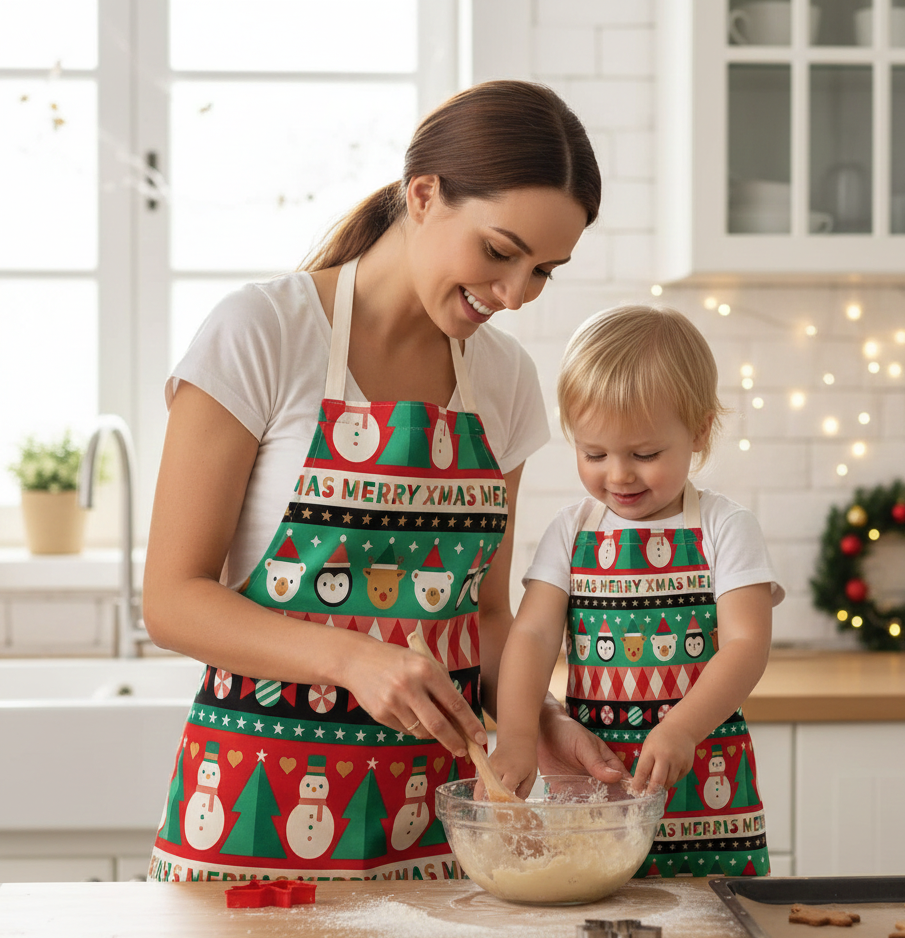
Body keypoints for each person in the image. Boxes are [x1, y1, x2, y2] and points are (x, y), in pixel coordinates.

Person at [143, 80, 622, 884]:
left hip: (438, 833)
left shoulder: (502, 380)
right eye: (500, 252)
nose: (512, 296)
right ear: (424, 194)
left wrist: (534, 717)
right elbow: (172, 599)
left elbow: (486, 617)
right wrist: (350, 659)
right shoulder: (264, 332)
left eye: (544, 271)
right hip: (253, 822)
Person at [490, 304, 785, 878]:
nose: (619, 475)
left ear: (699, 431)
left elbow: (746, 644)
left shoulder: (724, 527)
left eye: (645, 454)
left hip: (701, 776)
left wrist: (681, 729)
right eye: (594, 453)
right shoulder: (573, 530)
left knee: (713, 912)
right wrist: (520, 734)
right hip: (595, 784)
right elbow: (531, 632)